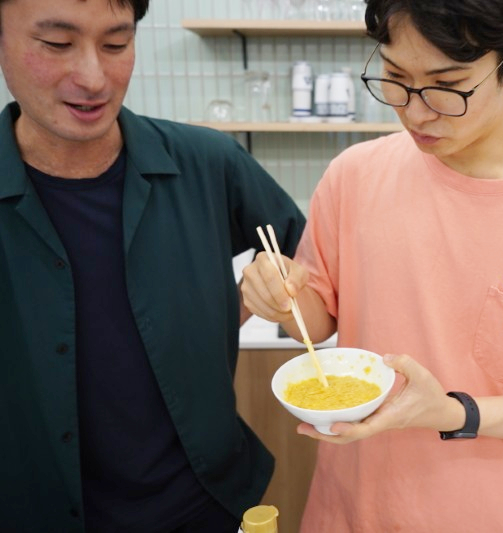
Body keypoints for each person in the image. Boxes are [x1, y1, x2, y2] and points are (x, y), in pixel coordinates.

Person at [241, 0, 503, 531]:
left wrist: (453, 412)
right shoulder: (356, 174)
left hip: (502, 515)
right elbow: (318, 318)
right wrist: (279, 295)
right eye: (396, 78)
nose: (416, 112)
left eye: (448, 85)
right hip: (354, 507)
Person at [0, 0, 305, 531]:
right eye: (57, 44)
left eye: (116, 44)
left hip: (206, 504)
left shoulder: (207, 162)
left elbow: (303, 251)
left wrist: (238, 304)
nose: (94, 77)